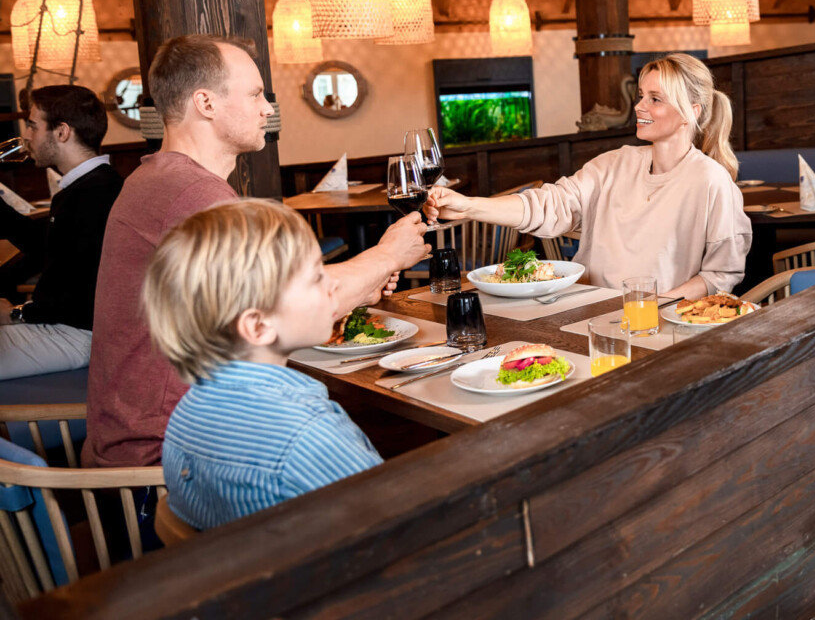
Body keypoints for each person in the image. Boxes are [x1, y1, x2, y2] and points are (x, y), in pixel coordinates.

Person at [82, 35, 430, 468]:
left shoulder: (156, 178)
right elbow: (280, 308)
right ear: (205, 103)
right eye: (254, 94)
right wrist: (388, 256)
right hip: (173, 461)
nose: (268, 107)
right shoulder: (193, 194)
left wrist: (365, 281)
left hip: (160, 436)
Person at [425, 53, 751, 299]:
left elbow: (721, 274)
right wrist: (470, 206)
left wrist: (657, 306)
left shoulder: (711, 181)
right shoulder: (612, 165)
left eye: (655, 99)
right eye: (640, 95)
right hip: (588, 311)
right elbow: (548, 204)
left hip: (662, 326)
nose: (639, 106)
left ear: (690, 112)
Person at [147, 200, 382, 530]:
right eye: (316, 277)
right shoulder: (309, 436)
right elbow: (394, 523)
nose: (334, 284)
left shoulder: (185, 415)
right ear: (257, 326)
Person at [0, 85, 122, 379]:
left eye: (32, 125)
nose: (26, 135)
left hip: (78, 334)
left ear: (62, 132)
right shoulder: (87, 187)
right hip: (61, 325)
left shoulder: (96, 195)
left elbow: (82, 302)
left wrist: (17, 314)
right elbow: (48, 251)